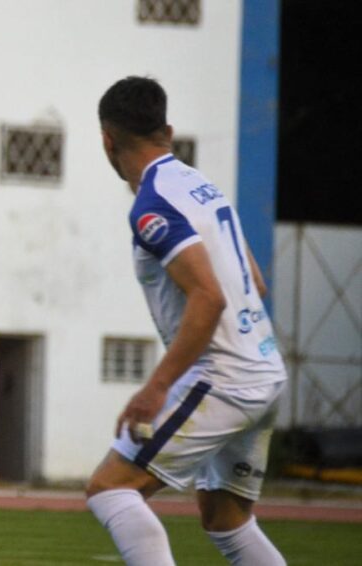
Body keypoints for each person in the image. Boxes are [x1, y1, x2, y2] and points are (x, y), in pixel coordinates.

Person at [86, 76, 287, 565]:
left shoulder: (152, 205)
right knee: (226, 518)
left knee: (110, 489)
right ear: (168, 131)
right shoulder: (201, 186)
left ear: (107, 140)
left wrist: (156, 388)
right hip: (264, 372)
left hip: (224, 380)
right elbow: (253, 284)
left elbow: (208, 297)